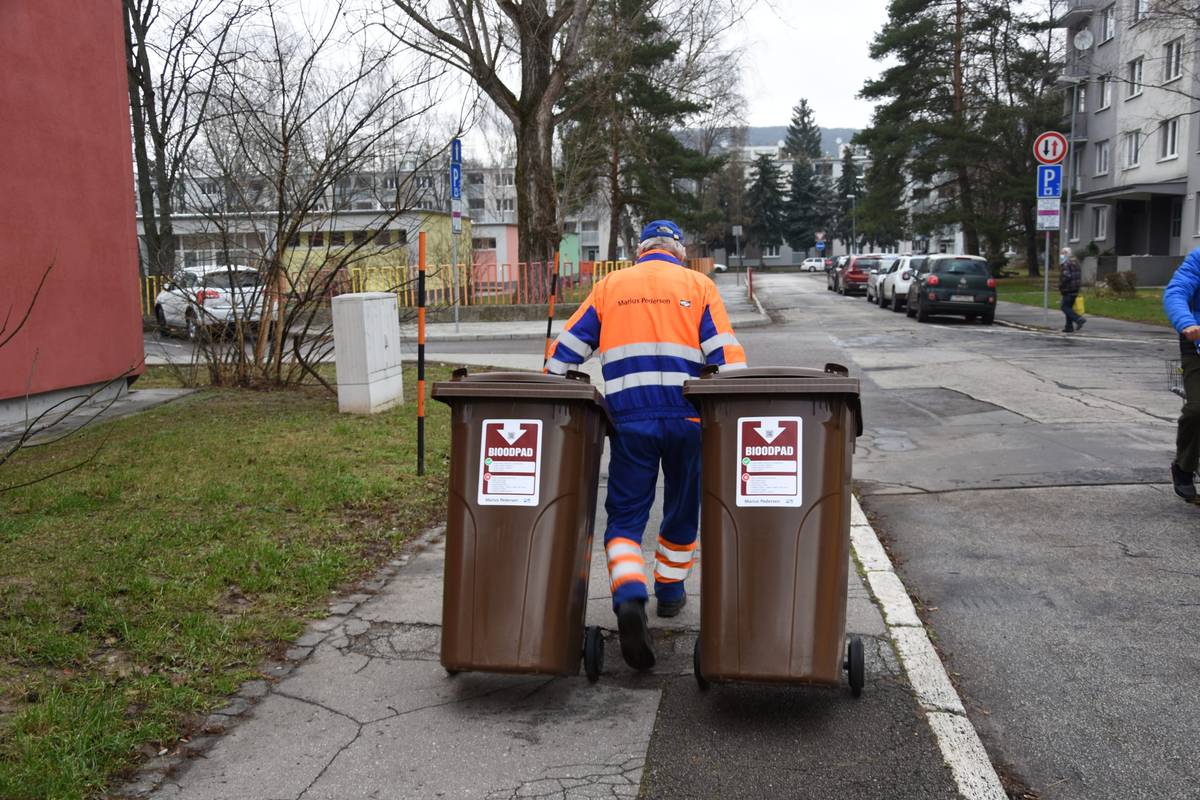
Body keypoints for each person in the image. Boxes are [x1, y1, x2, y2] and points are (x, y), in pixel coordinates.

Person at [545, 220, 747, 670]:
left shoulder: (610, 287)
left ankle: (630, 593)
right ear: (678, 249)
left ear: (640, 251)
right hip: (690, 419)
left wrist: (550, 388)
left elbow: (562, 357)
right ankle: (671, 593)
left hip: (630, 420)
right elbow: (728, 363)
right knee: (681, 505)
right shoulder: (699, 286)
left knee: (625, 514)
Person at [1163, 248, 1200, 501]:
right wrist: (1186, 323)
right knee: (1198, 409)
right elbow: (1176, 292)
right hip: (1196, 342)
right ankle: (1184, 467)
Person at [1059, 248, 1086, 333]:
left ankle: (1078, 319)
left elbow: (1066, 276)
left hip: (1068, 288)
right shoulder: (1076, 262)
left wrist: (1061, 286)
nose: (1061, 255)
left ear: (1066, 254)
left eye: (1062, 254)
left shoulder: (1066, 263)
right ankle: (1069, 327)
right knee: (1069, 308)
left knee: (1064, 307)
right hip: (1075, 288)